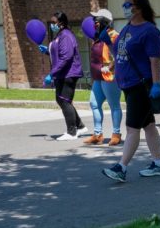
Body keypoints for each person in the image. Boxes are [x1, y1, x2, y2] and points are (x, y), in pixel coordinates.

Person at [102, 0, 160, 183]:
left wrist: (156, 84)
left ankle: (121, 167)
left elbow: (154, 61)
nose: (124, 7)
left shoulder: (149, 31)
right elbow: (120, 53)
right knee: (148, 125)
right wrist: (109, 43)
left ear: (139, 7)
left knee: (132, 128)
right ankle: (158, 164)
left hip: (141, 86)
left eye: (128, 4)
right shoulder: (127, 28)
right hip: (128, 84)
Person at [39, 12, 87, 140]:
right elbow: (59, 54)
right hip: (63, 73)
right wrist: (47, 52)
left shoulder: (65, 35)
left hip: (69, 73)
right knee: (62, 100)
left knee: (64, 100)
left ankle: (72, 132)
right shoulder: (60, 35)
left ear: (61, 22)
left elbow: (66, 57)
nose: (52, 25)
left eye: (54, 22)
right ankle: (80, 126)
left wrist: (51, 74)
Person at [85, 9, 122, 145]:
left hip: (110, 77)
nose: (94, 22)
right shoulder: (97, 37)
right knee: (94, 104)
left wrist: (111, 66)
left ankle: (116, 134)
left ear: (103, 21)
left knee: (114, 106)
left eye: (96, 19)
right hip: (98, 77)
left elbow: (120, 54)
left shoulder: (114, 36)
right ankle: (97, 134)